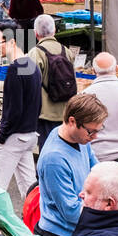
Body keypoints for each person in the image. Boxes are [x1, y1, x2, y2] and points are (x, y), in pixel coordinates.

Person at [35, 92, 107, 236]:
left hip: (78, 231)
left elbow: (98, 172)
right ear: (72, 121)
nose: (94, 137)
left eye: (98, 131)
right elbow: (71, 212)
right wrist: (113, 215)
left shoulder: (79, 138)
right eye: (91, 131)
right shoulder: (54, 159)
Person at [0, 33, 41, 197]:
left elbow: (14, 109)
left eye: (0, 43)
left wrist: (2, 136)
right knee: (29, 187)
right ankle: (35, 219)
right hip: (29, 134)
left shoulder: (15, 68)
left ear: (12, 41)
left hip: (14, 136)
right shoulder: (32, 65)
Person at [29, 14, 73, 149]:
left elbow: (29, 85)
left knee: (47, 150)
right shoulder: (67, 51)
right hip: (65, 112)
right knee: (63, 149)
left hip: (45, 114)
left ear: (36, 33)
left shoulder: (35, 53)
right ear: (54, 31)